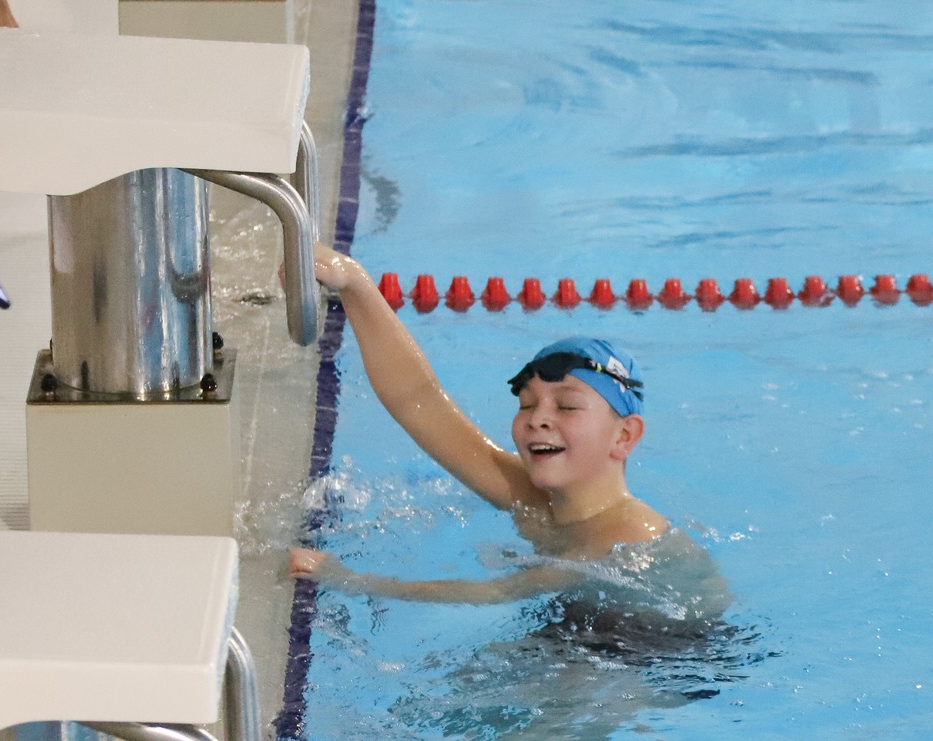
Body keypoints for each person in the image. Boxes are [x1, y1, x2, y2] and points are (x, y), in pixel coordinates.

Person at [290, 245, 724, 613]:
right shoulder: (533, 499)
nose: (538, 418)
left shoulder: (626, 536)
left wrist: (348, 578)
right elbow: (419, 403)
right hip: (585, 633)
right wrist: (355, 284)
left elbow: (491, 594)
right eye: (527, 404)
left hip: (666, 660)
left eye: (568, 406)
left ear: (624, 436)